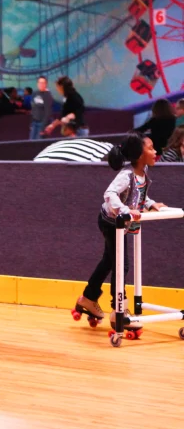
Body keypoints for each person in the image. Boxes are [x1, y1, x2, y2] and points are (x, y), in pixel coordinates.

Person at [74, 133, 164, 327]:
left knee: (109, 260)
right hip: (111, 222)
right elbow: (110, 193)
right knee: (120, 265)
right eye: (151, 148)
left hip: (118, 222)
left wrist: (150, 203)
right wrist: (124, 210)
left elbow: (137, 196)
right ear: (140, 155)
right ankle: (119, 309)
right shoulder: (126, 175)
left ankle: (88, 298)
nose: (155, 151)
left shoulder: (143, 171)